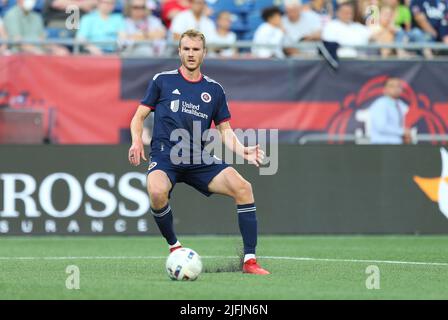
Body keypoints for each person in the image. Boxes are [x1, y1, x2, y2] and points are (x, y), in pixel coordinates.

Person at [128, 29, 270, 275]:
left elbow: (225, 131)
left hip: (197, 157)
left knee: (244, 187)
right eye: (186, 49)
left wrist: (243, 150)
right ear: (179, 51)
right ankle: (175, 247)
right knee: (156, 191)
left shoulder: (214, 90)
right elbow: (138, 116)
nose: (191, 54)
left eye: (196, 49)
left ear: (204, 53)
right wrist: (136, 141)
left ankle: (249, 261)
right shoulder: (162, 80)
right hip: (164, 156)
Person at [4, 0, 69, 55]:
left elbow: (42, 40)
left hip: (39, 56)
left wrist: (56, 49)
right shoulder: (12, 15)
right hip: (21, 56)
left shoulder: (36, 17)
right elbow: (18, 41)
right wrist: (35, 51)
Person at [368, 77, 411, 144]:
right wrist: (402, 132)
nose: (396, 89)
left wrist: (407, 135)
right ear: (385, 90)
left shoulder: (401, 105)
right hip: (382, 146)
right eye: (392, 86)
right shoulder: (380, 104)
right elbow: (381, 127)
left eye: (398, 86)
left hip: (397, 146)